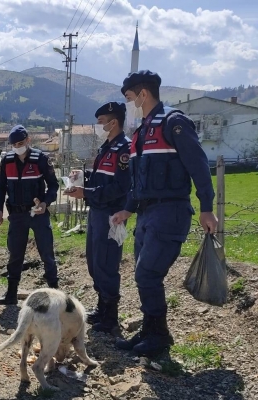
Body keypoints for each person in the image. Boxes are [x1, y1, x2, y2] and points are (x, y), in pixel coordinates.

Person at [111, 70, 218, 356]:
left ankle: (158, 337)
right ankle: (151, 331)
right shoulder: (142, 131)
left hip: (170, 211)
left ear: (143, 94)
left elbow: (198, 165)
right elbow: (138, 181)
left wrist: (207, 207)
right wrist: (127, 210)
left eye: (130, 97)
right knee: (143, 274)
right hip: (147, 214)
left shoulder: (174, 122)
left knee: (148, 273)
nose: (129, 103)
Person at [65, 102, 131, 334]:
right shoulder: (107, 147)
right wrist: (82, 177)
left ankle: (111, 317)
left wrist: (87, 193)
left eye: (101, 122)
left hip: (112, 215)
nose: (99, 126)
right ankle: (102, 308)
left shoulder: (125, 149)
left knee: (106, 264)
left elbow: (121, 187)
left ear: (114, 122)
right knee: (95, 264)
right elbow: (101, 177)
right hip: (97, 212)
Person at [0, 125, 60, 304]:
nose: (18, 146)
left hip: (38, 214)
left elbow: (54, 185)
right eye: (14, 144)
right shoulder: (6, 162)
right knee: (15, 255)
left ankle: (55, 295)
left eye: (21, 143)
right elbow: (0, 188)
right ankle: (11, 295)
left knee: (46, 253)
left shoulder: (40, 159)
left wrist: (46, 203)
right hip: (16, 216)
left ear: (28, 140)